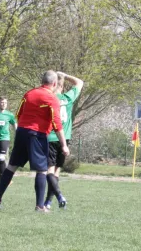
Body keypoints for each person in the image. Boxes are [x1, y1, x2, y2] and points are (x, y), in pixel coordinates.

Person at [0, 71, 69, 212]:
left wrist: (23, 128)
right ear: (55, 83)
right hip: (37, 135)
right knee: (42, 170)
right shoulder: (52, 99)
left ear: (42, 80)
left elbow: (18, 114)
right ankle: (40, 206)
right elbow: (57, 124)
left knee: (11, 167)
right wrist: (64, 145)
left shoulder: (29, 93)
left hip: (21, 131)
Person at [44, 72, 84, 210]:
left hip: (50, 137)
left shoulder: (49, 99)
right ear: (62, 85)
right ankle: (48, 203)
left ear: (54, 84)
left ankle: (59, 197)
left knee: (49, 171)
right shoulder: (68, 98)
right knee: (56, 172)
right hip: (64, 139)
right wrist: (64, 75)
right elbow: (79, 82)